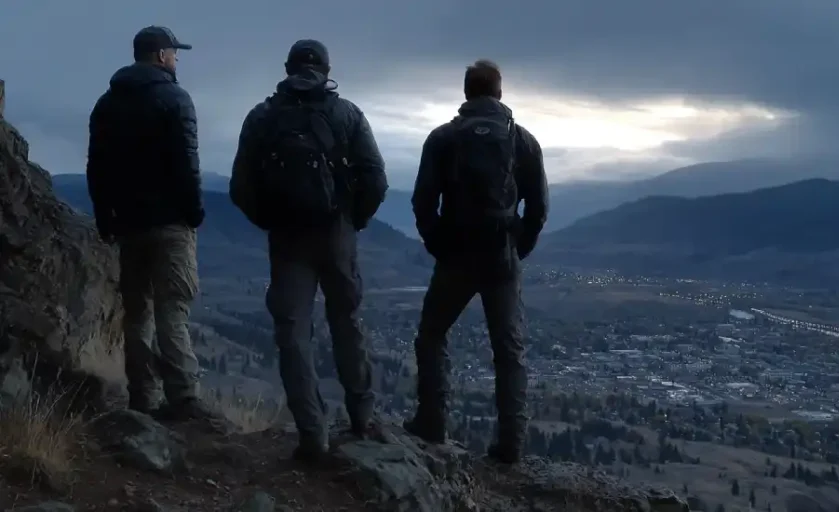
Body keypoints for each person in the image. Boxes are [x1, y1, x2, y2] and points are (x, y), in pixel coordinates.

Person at [229, 40, 388, 464]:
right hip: (336, 234)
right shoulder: (347, 114)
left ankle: (312, 435)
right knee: (347, 323)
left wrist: (270, 219)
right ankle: (362, 419)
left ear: (288, 68)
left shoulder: (262, 117)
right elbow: (375, 178)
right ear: (327, 69)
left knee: (293, 334)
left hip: (287, 239)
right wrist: (354, 220)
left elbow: (240, 186)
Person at [405, 59, 549, 463]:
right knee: (508, 349)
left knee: (431, 335)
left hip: (456, 254)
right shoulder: (523, 141)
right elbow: (538, 208)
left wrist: (438, 243)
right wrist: (518, 249)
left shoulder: (443, 138)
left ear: (466, 93)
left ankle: (432, 422)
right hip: (501, 256)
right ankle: (511, 445)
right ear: (500, 93)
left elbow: (421, 201)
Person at [85, 26, 213, 421]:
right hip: (171, 224)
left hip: (128, 225)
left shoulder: (106, 104)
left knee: (137, 312)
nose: (176, 59)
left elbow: (97, 169)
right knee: (173, 309)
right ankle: (184, 400)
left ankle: (143, 397)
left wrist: (106, 217)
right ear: (160, 56)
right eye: (174, 53)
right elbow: (186, 165)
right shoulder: (175, 99)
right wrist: (194, 212)